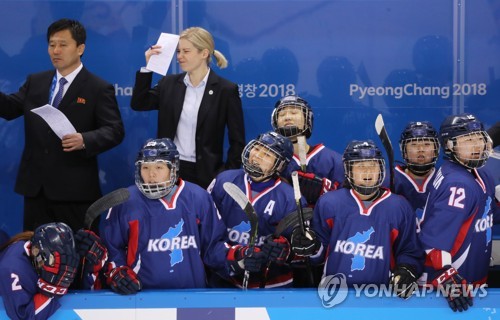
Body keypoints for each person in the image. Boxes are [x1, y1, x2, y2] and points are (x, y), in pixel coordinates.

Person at [0, 19, 124, 232]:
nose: (55, 50)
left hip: (75, 191)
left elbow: (115, 130)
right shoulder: (36, 81)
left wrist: (85, 139)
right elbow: (10, 109)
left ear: (80, 48)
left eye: (63, 44)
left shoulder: (98, 87)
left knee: (75, 256)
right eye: (51, 44)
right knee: (34, 254)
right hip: (36, 189)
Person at [291, 140, 423, 298]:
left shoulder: (399, 206)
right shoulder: (329, 202)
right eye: (360, 166)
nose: (368, 171)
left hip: (381, 297)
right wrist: (310, 246)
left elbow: (409, 250)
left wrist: (407, 268)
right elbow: (318, 255)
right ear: (349, 171)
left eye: (373, 166)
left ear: (381, 169)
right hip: (334, 295)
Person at [101, 138, 230, 294]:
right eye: (145, 167)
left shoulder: (198, 197)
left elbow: (213, 247)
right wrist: (117, 271)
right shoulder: (125, 201)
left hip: (194, 297)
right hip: (141, 298)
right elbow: (112, 248)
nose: (151, 174)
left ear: (173, 169)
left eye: (159, 167)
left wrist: (236, 256)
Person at [131, 26, 245, 189]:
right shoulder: (169, 83)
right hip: (169, 170)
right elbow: (139, 103)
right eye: (178, 51)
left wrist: (226, 175)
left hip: (208, 174)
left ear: (204, 53)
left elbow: (237, 141)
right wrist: (148, 67)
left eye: (186, 51)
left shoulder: (226, 90)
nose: (179, 57)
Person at [419, 113, 498, 312]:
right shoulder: (458, 185)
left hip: (475, 279)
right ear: (449, 145)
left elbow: (484, 215)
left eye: (479, 138)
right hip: (449, 288)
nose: (476, 145)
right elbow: (434, 238)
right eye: (467, 141)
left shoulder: (481, 174)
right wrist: (447, 275)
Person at [208, 131, 307, 288]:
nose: (258, 156)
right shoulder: (224, 181)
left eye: (268, 155)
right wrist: (234, 256)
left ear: (280, 165)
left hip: (272, 286)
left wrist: (285, 251)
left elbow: (304, 250)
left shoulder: (290, 198)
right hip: (225, 280)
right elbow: (207, 237)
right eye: (257, 148)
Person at [0, 222, 107, 320]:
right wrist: (53, 289)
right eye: (52, 261)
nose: (64, 270)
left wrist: (93, 264)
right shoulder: (12, 268)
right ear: (37, 252)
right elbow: (24, 316)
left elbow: (84, 291)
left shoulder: (54, 256)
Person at [271, 95, 344, 206]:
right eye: (281, 114)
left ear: (307, 119)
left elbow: (347, 201)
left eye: (294, 113)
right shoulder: (270, 159)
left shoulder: (334, 161)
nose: (287, 117)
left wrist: (327, 192)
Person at [395, 121, 440, 229]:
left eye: (427, 144)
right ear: (404, 151)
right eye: (414, 145)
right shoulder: (389, 181)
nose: (421, 149)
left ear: (436, 150)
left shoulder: (446, 180)